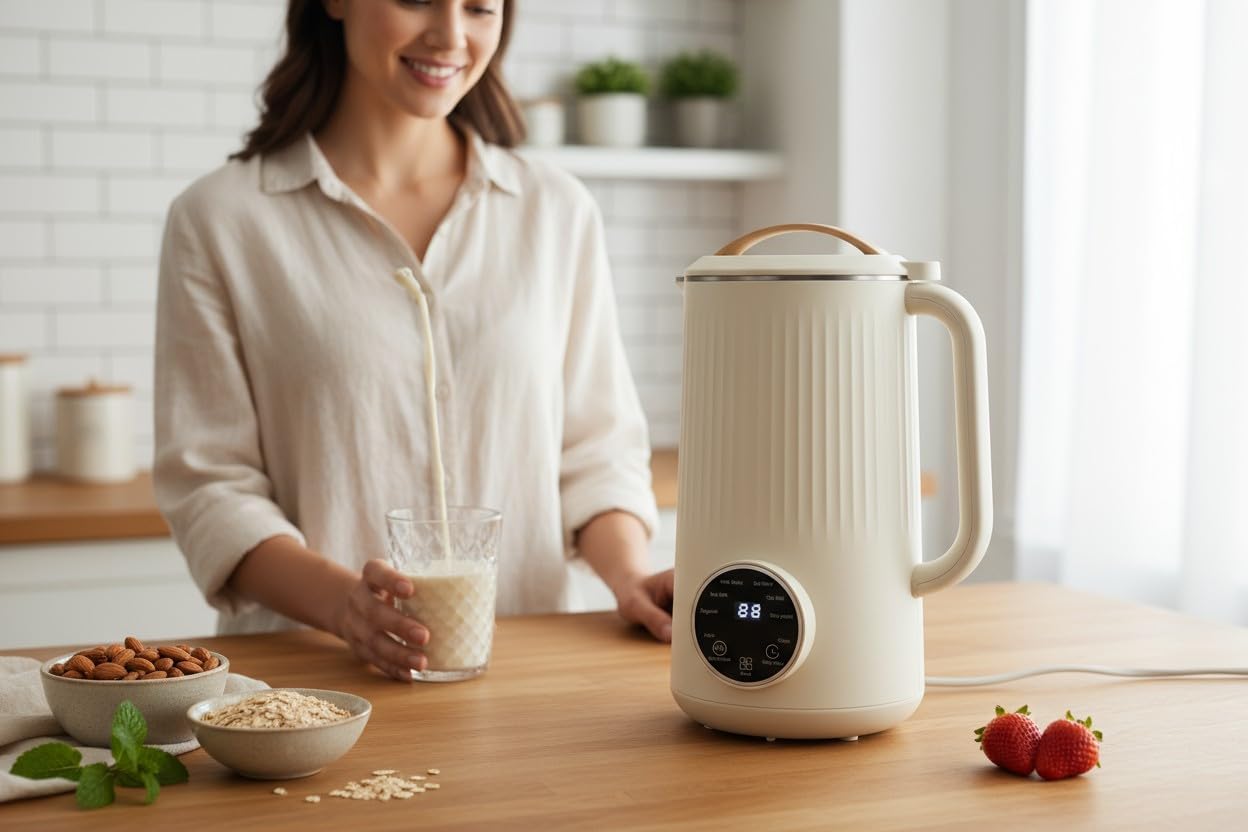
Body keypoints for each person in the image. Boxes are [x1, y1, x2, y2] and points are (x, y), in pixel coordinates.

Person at [153, 0, 673, 682]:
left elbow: (595, 451)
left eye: (481, 7)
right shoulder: (221, 220)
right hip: (314, 693)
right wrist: (347, 608)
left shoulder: (555, 212)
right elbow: (210, 486)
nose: (452, 36)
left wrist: (630, 575)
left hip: (528, 682)